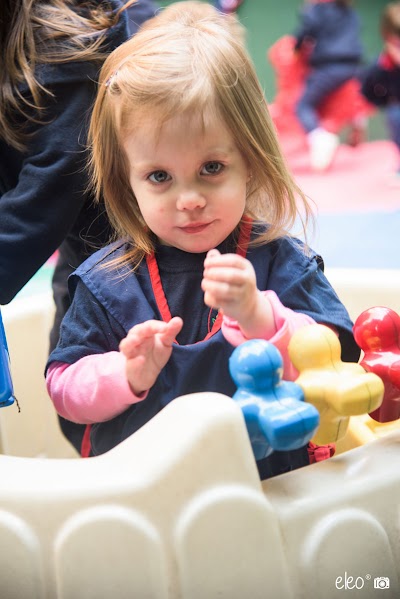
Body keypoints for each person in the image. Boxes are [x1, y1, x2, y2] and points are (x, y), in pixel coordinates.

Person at [46, 1, 360, 479]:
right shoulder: (105, 282)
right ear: (125, 179)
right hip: (150, 505)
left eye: (211, 168)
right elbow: (64, 390)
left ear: (251, 161)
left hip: (271, 496)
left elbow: (340, 356)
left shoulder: (280, 262)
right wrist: (124, 374)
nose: (188, 199)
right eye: (159, 176)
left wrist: (261, 316)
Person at [0, 0, 157, 453]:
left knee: (125, 400)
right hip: (92, 252)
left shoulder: (59, 54)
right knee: (75, 385)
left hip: (143, 252)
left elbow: (53, 178)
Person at [293, 0, 364, 170]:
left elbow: (306, 32)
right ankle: (357, 117)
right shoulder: (349, 10)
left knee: (303, 105)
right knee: (343, 97)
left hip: (330, 67)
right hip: (353, 67)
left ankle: (320, 138)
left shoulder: (318, 9)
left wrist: (296, 47)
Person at [360, 2, 400, 179]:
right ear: (386, 40)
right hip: (396, 108)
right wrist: (384, 101)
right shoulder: (381, 66)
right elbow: (366, 89)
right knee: (395, 114)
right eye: (397, 45)